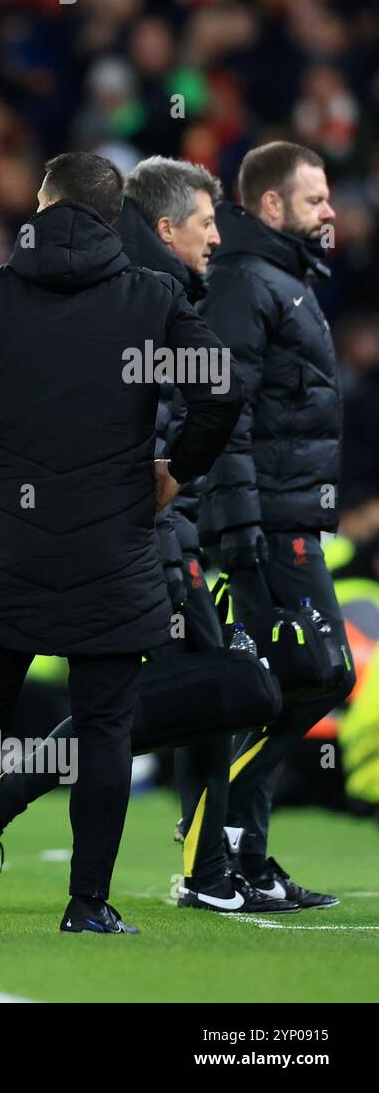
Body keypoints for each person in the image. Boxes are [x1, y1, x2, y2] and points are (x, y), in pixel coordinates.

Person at [0, 152, 243, 935]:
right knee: (104, 728)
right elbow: (222, 390)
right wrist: (176, 471)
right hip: (113, 551)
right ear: (116, 219)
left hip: (8, 551)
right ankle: (87, 904)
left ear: (42, 207)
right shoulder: (152, 296)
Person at [0, 157, 296, 915]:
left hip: (152, 531)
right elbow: (164, 427)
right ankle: (202, 871)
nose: (218, 235)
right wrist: (172, 498)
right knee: (199, 689)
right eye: (206, 221)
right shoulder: (144, 298)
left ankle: (1, 801)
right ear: (164, 228)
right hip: (142, 535)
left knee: (170, 697)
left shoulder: (153, 290)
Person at [198, 142, 355, 909]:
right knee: (320, 674)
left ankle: (244, 859)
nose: (331, 211)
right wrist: (241, 527)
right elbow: (223, 413)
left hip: (292, 517)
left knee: (283, 684)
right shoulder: (245, 282)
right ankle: (210, 844)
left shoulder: (284, 278)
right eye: (316, 197)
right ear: (270, 205)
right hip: (268, 524)